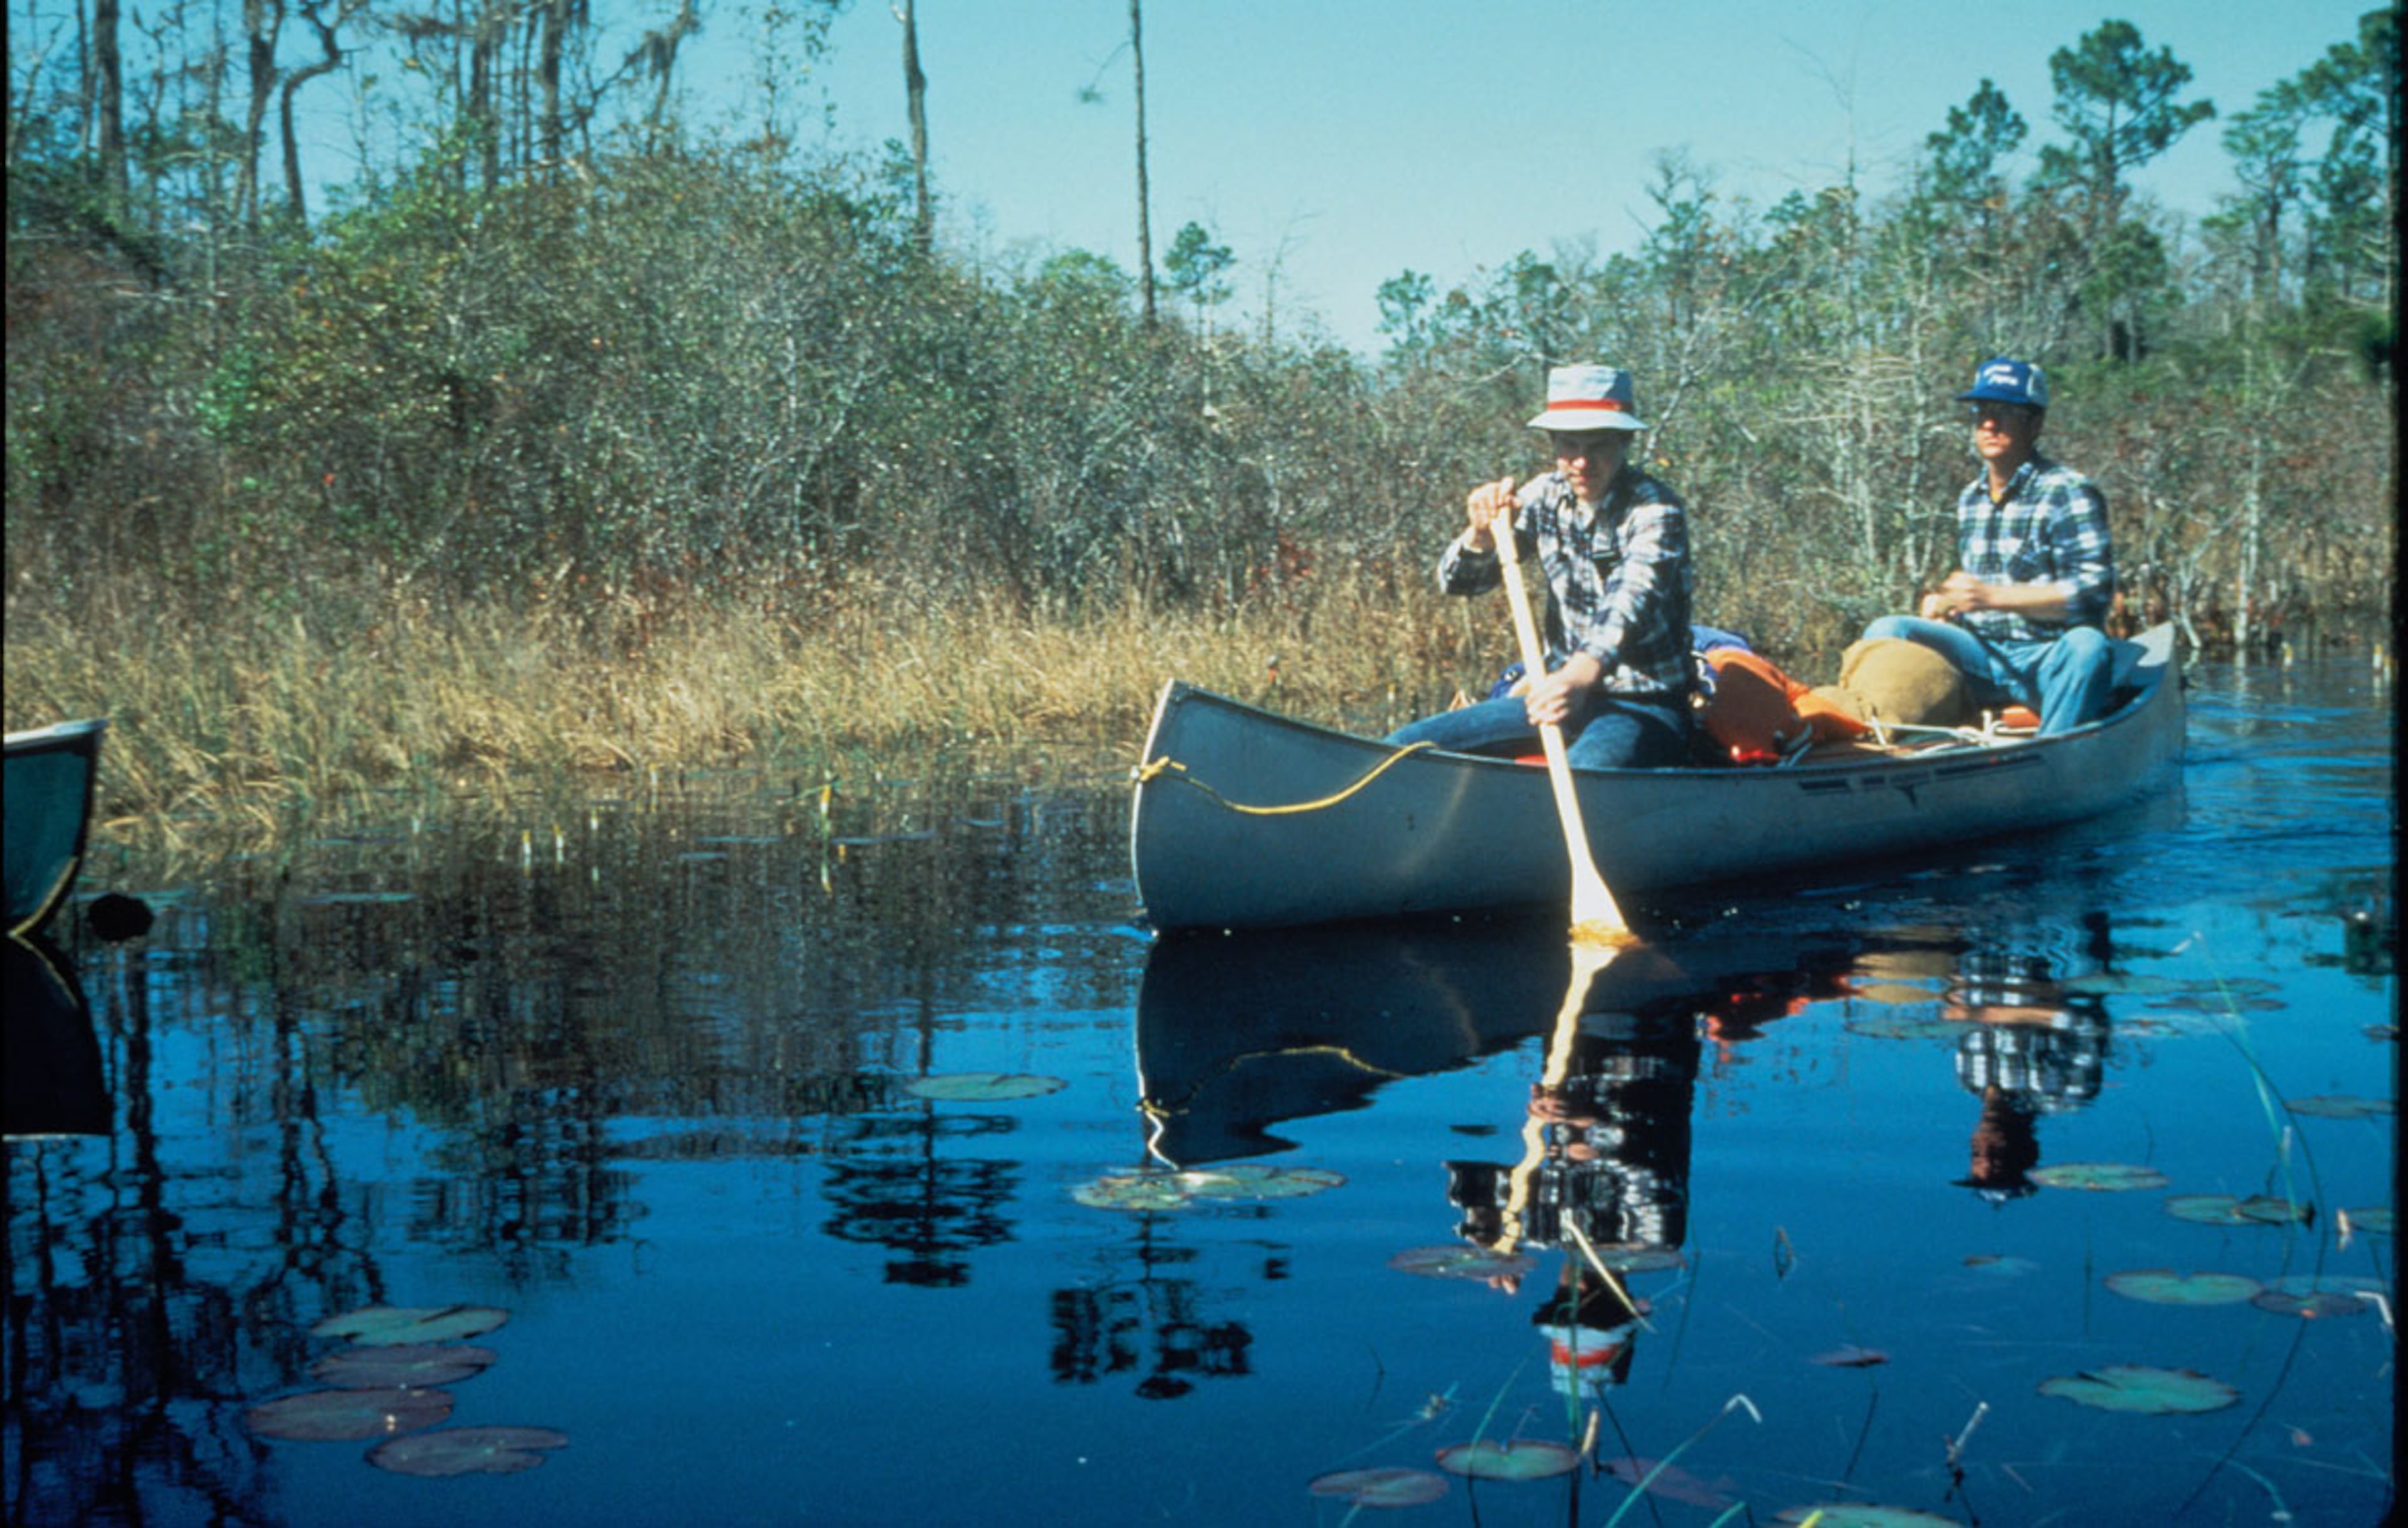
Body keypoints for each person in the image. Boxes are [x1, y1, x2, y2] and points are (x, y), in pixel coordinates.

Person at [1388, 364, 1693, 769]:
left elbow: (1631, 600)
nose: (1582, 463)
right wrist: (1480, 535)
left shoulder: (1656, 509)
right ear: (1552, 444)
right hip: (1556, 698)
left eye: (1598, 446)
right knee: (1398, 749)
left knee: (1585, 775)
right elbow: (1458, 584)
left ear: (1625, 442)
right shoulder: (1542, 496)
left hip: (1646, 704)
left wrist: (1577, 676)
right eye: (1569, 446)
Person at [1860, 358, 2116, 735]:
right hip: (1980, 654)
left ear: (2035, 424)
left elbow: (2095, 594)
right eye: (1982, 412)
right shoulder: (1971, 498)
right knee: (1889, 629)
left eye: (2005, 413)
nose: (1990, 424)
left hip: (2046, 657)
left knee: (2089, 648)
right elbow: (1975, 587)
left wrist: (1993, 597)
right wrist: (1946, 601)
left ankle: (2054, 752)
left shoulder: (2068, 492)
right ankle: (1886, 746)